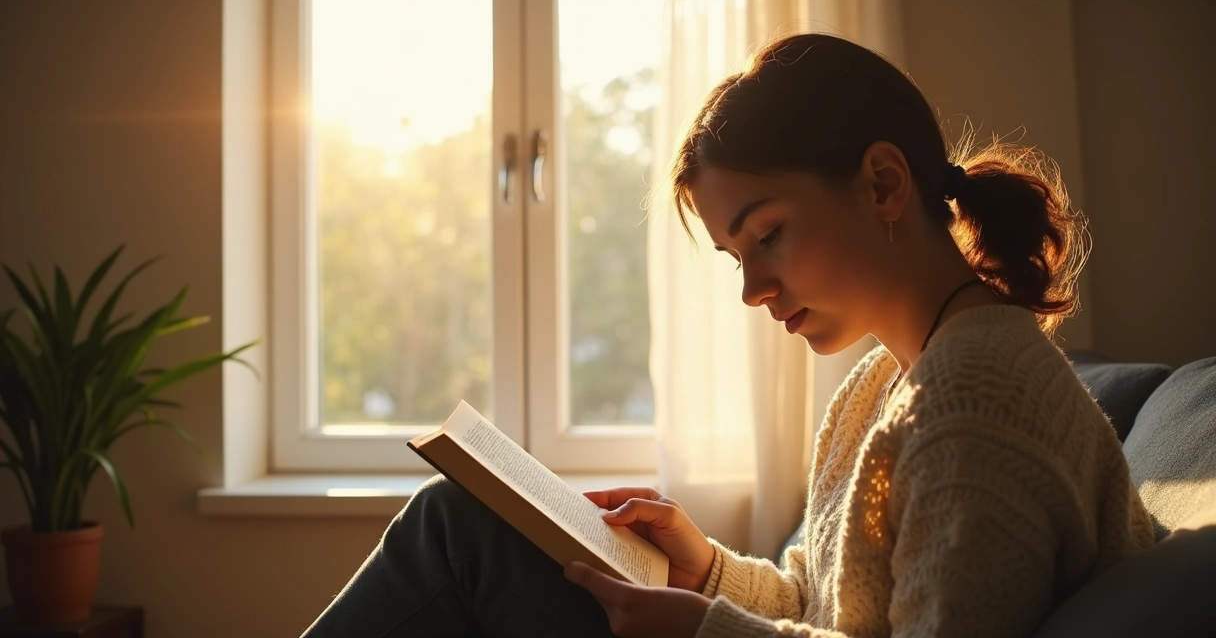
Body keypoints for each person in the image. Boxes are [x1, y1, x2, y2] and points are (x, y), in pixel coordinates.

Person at [300, 33, 1154, 638]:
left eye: (768, 233)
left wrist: (706, 629)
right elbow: (822, 608)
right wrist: (703, 568)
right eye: (735, 254)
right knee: (460, 523)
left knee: (457, 530)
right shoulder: (886, 384)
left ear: (883, 183)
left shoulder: (976, 401)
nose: (752, 289)